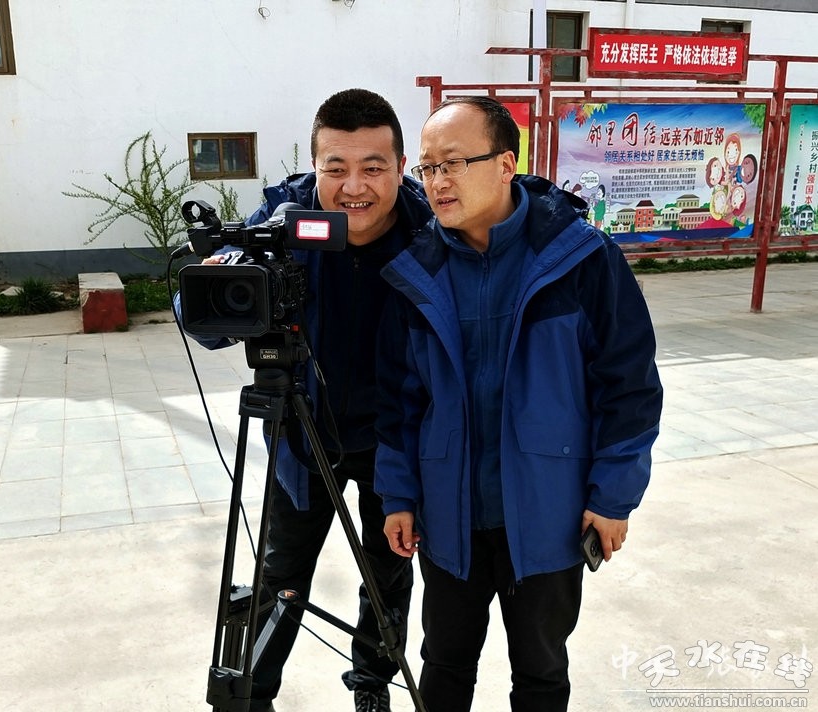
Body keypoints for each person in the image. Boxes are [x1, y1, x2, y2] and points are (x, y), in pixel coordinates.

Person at [374, 96, 663, 712]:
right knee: (444, 665)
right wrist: (398, 495)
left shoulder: (581, 259)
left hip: (548, 514)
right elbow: (400, 401)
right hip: (449, 516)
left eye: (454, 163)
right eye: (427, 167)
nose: (437, 182)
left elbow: (629, 387)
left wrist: (612, 497)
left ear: (506, 164)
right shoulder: (415, 272)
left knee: (540, 672)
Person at [177, 88, 432, 712]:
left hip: (399, 441)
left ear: (401, 167)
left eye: (373, 167)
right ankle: (254, 694)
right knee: (280, 576)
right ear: (313, 165)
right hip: (300, 431)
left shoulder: (430, 232)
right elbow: (203, 322)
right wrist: (224, 279)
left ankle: (372, 684)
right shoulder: (280, 221)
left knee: (387, 574)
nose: (354, 187)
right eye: (335, 168)